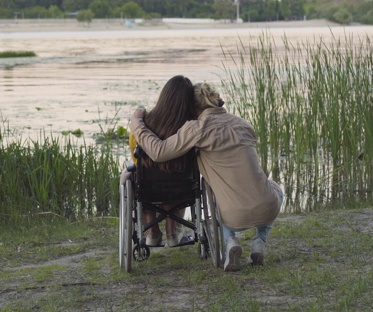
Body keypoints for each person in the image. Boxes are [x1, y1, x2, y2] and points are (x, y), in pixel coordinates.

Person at [129, 82, 283, 271]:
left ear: (192, 109)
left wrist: (137, 124)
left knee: (221, 195)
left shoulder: (197, 129)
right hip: (268, 208)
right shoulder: (244, 125)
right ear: (218, 101)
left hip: (232, 216)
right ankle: (260, 240)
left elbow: (159, 152)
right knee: (273, 187)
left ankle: (230, 240)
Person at [120, 75, 198, 247]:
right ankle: (173, 232)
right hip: (182, 187)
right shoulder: (191, 127)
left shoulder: (143, 123)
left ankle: (152, 232)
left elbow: (136, 157)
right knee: (177, 174)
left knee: (140, 175)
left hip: (149, 188)